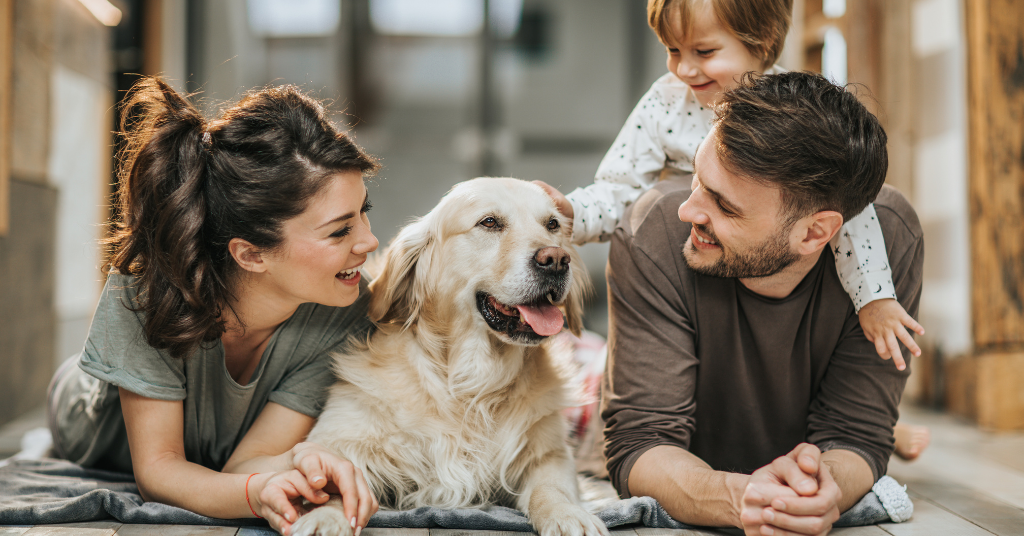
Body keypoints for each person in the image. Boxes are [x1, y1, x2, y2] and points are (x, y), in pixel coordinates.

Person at [47, 78, 379, 536]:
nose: (369, 240)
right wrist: (255, 492)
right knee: (72, 389)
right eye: (340, 231)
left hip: (216, 443)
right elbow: (158, 472)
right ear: (251, 254)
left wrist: (302, 462)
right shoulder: (143, 294)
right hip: (88, 418)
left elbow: (244, 464)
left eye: (365, 209)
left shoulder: (346, 311)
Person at [601, 71, 923, 535]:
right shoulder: (652, 231)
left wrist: (821, 490)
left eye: (724, 206)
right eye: (696, 177)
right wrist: (740, 498)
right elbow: (640, 441)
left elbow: (857, 434)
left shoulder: (889, 242)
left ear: (816, 232)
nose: (687, 210)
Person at [535, 0, 924, 370]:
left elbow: (849, 213)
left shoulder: (794, 115)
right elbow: (619, 186)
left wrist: (874, 297)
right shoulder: (665, 103)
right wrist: (575, 212)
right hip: (698, 277)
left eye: (704, 52)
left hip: (774, 281)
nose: (684, 70)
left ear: (764, 42)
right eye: (673, 50)